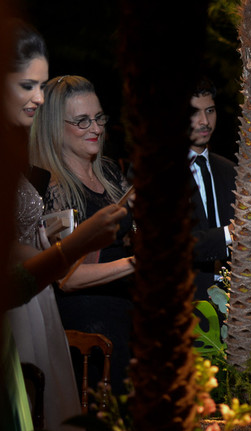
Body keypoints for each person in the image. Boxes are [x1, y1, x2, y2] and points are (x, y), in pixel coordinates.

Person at [4, 24, 113, 431]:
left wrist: (51, 241)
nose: (37, 98)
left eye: (40, 87)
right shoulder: (30, 171)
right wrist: (77, 245)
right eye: (27, 85)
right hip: (19, 310)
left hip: (36, 307)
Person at [29, 74, 136, 394]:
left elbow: (126, 235)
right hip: (89, 334)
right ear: (54, 127)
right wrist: (134, 264)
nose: (96, 129)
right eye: (82, 121)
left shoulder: (110, 172)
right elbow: (67, 278)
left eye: (99, 117)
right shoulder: (51, 187)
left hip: (127, 318)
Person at [187, 78, 236, 302]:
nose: (205, 121)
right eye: (194, 113)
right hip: (184, 303)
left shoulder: (229, 170)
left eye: (210, 111)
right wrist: (229, 234)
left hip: (235, 302)